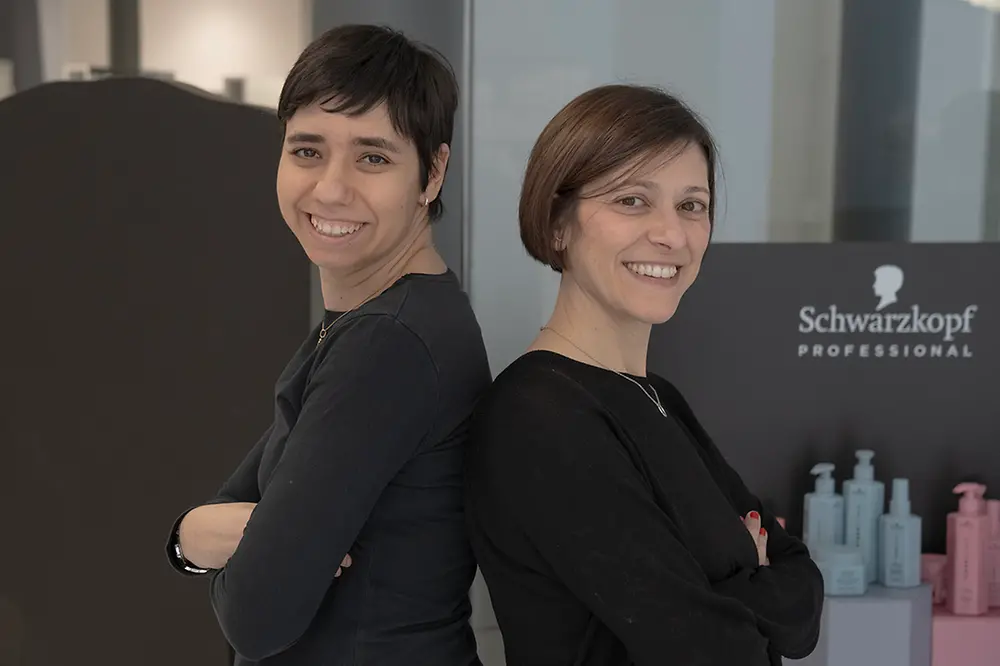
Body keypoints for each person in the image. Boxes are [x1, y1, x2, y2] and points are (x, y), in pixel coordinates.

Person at [464, 84, 824, 666]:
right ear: (557, 224)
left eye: (691, 205)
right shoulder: (539, 418)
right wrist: (750, 578)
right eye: (632, 200)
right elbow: (714, 652)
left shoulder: (658, 397)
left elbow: (802, 593)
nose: (672, 234)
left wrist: (731, 597)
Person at [165, 25, 491, 666]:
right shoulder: (376, 321)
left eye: (373, 158)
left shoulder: (387, 343)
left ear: (432, 173)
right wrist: (190, 534)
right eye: (308, 151)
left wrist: (201, 542)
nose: (331, 189)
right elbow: (234, 505)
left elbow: (256, 615)